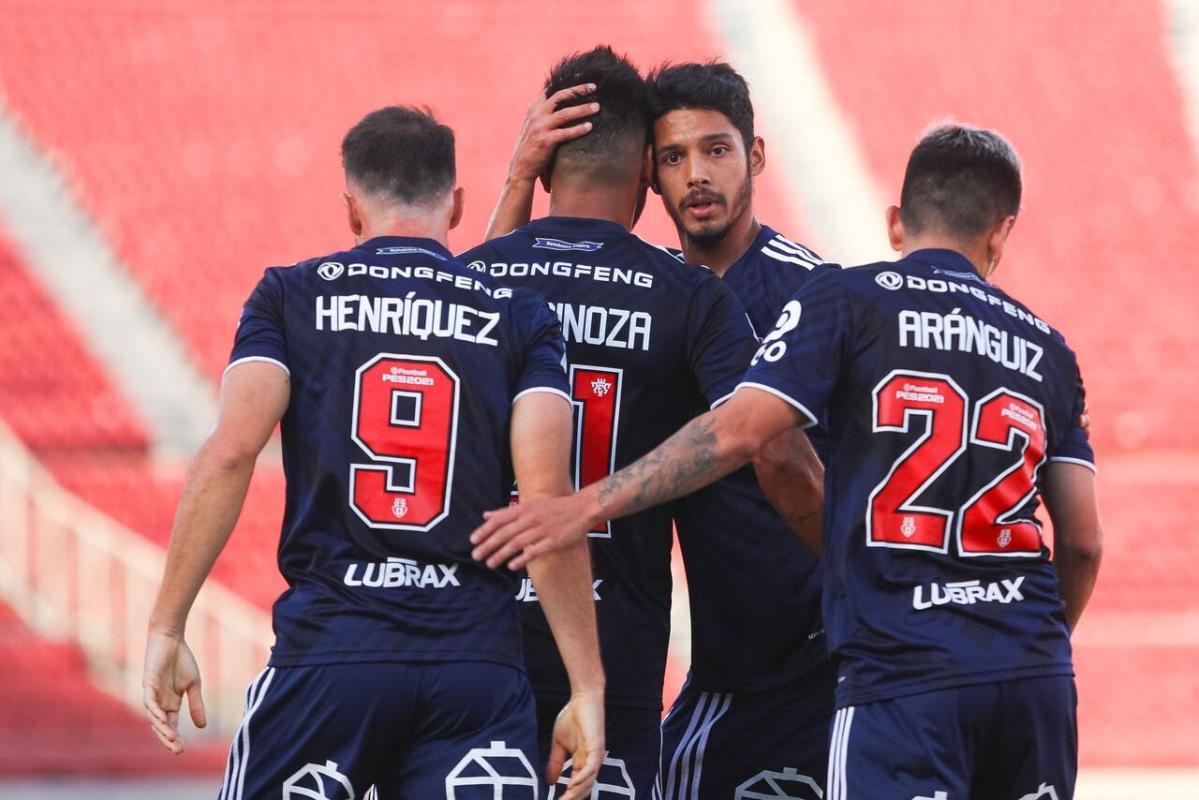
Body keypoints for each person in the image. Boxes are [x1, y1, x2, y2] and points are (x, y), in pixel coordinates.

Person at [472, 124, 1103, 800]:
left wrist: (584, 505)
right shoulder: (1050, 350)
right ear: (1001, 234)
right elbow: (1083, 543)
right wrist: (1033, 645)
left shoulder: (848, 298)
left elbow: (744, 433)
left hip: (901, 666)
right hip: (1032, 673)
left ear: (895, 223)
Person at [142, 106, 605, 800]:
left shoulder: (289, 296)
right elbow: (546, 498)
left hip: (332, 654)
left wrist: (168, 624)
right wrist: (586, 686)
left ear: (351, 209)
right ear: (456, 205)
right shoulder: (521, 314)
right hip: (474, 669)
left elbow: (232, 450)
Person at [485, 60, 832, 797]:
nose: (695, 174)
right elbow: (484, 308)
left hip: (804, 665)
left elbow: (789, 457)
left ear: (755, 156)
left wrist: (858, 584)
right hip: (696, 667)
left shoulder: (812, 291)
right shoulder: (673, 292)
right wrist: (518, 182)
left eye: (716, 150)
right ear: (648, 172)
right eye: (674, 157)